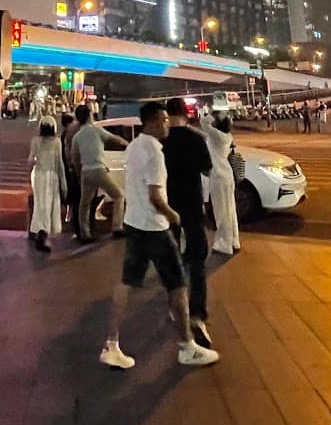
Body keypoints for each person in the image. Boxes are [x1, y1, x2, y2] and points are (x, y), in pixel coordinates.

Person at [100, 101, 219, 370]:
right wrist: (171, 214)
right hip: (155, 227)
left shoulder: (133, 146)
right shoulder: (155, 152)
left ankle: (112, 344)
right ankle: (187, 346)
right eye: (164, 120)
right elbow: (155, 196)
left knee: (126, 282)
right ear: (154, 122)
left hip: (134, 223)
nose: (168, 124)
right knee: (178, 286)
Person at [162, 98, 216, 348]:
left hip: (167, 208)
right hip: (192, 208)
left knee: (172, 261)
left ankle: (175, 307)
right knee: (197, 261)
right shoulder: (196, 139)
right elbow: (207, 169)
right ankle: (197, 314)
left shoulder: (159, 141)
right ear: (186, 114)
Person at [72, 105, 128, 240]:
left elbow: (75, 158)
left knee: (84, 204)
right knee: (119, 196)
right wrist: (129, 144)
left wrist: (80, 174)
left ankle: (85, 233)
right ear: (90, 115)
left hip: (86, 171)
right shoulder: (96, 130)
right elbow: (115, 139)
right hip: (99, 169)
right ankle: (117, 227)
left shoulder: (77, 136)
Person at [202, 112, 240, 256]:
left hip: (218, 176)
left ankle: (224, 244)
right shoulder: (227, 136)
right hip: (227, 175)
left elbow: (204, 123)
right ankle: (234, 241)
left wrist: (213, 113)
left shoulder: (216, 136)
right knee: (230, 210)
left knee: (221, 211)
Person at [27, 120, 67, 252]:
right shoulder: (57, 142)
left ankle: (38, 231)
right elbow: (60, 163)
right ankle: (43, 233)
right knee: (49, 205)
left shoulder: (35, 141)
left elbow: (30, 160)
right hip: (51, 176)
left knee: (40, 204)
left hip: (38, 175)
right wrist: (64, 183)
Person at [60, 112, 83, 240]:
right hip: (72, 170)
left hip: (69, 170)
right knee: (76, 197)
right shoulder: (70, 135)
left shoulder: (66, 134)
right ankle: (77, 226)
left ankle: (70, 217)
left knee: (73, 196)